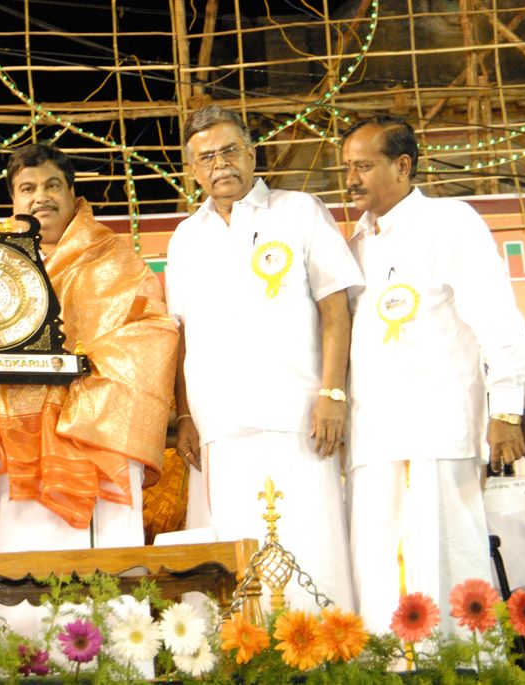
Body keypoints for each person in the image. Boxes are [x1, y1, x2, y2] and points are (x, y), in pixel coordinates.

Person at [0, 143, 177, 557]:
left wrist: (81, 372)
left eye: (52, 185)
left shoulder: (115, 260)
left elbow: (153, 331)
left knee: (92, 575)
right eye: (27, 188)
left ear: (73, 194)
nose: (40, 197)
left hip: (88, 435)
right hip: (6, 437)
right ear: (14, 200)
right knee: (11, 560)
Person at [342, 116, 525, 633]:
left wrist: (507, 414)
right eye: (347, 167)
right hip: (374, 442)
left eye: (364, 166)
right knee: (382, 577)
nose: (351, 179)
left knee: (445, 572)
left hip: (435, 433)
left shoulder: (450, 223)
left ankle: (463, 669)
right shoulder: (356, 243)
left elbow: (499, 326)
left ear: (403, 166)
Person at [168, 105, 361, 612]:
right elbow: (181, 335)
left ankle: (329, 657)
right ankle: (247, 656)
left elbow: (335, 306)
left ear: (252, 153)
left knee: (312, 550)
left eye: (230, 150)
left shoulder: (298, 210)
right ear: (192, 169)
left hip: (298, 420)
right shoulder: (187, 236)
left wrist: (332, 393)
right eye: (206, 157)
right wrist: (186, 415)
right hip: (220, 432)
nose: (220, 164)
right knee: (236, 558)